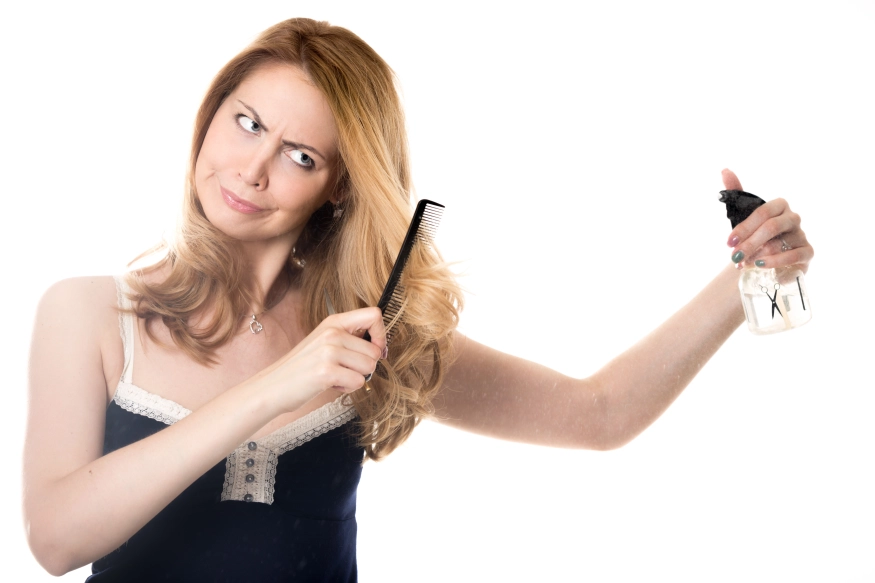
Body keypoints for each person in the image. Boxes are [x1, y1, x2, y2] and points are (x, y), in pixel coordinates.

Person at [22, 17, 814, 583]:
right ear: (210, 120)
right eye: (246, 122)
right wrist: (276, 386)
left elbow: (596, 413)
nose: (251, 169)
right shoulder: (90, 315)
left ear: (337, 187)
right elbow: (55, 540)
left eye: (299, 154)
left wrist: (745, 279)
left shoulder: (365, 336)